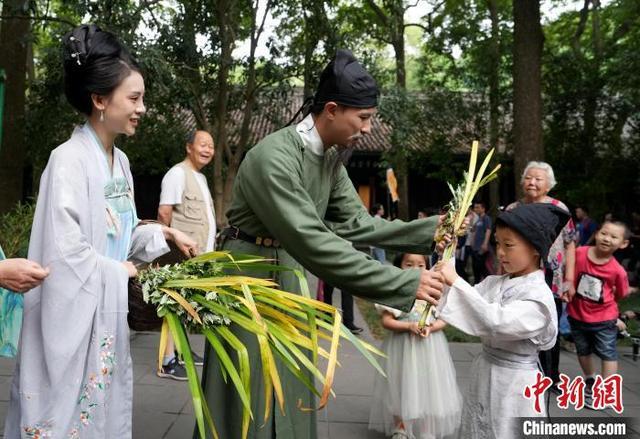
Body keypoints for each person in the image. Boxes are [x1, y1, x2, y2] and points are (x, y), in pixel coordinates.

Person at [199, 49, 447, 439]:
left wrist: (432, 231)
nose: (368, 128)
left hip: (290, 275)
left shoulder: (330, 158)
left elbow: (357, 223)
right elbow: (311, 240)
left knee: (293, 376)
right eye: (363, 118)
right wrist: (402, 283)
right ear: (331, 109)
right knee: (250, 384)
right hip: (248, 279)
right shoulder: (274, 157)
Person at [4, 24, 196, 438]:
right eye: (135, 97)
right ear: (99, 100)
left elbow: (122, 235)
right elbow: (66, 253)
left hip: (104, 318)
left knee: (103, 413)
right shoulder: (67, 160)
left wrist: (163, 236)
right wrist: (122, 272)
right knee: (66, 418)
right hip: (71, 322)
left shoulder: (121, 163)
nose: (142, 107)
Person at [435, 203, 570, 438]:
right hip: (485, 371)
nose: (500, 252)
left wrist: (455, 279)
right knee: (478, 427)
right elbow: (464, 298)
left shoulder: (539, 297)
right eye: (498, 243)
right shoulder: (495, 283)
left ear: (536, 249)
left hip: (515, 382)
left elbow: (495, 321)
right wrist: (448, 255)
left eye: (509, 245)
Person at [369, 253, 462, 439]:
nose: (415, 269)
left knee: (428, 385)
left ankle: (427, 429)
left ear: (427, 267)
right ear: (399, 267)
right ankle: (400, 427)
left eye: (420, 265)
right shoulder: (395, 291)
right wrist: (408, 326)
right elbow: (387, 321)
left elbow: (444, 319)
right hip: (401, 347)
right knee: (399, 385)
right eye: (409, 264)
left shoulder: (434, 289)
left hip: (429, 348)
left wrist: (432, 327)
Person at [507, 161, 578, 391]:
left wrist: (569, 279)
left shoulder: (559, 208)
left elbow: (570, 244)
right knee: (520, 324)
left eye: (538, 179)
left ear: (549, 184)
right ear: (522, 181)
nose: (533, 182)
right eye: (529, 178)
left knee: (551, 326)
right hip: (520, 276)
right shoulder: (513, 209)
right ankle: (522, 374)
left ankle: (550, 377)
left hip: (553, 278)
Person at [156, 129, 216, 379]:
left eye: (211, 146)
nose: (207, 150)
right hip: (180, 255)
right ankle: (167, 361)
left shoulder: (199, 178)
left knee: (185, 305)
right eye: (202, 144)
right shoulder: (177, 174)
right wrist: (168, 252)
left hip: (199, 255)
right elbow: (163, 213)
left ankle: (182, 352)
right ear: (188, 147)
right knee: (173, 305)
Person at [567, 221, 630, 409]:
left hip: (604, 318)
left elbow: (622, 293)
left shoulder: (617, 270)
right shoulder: (579, 254)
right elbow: (568, 273)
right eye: (604, 233)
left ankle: (608, 394)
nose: (607, 239)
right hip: (577, 314)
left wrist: (612, 310)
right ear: (596, 234)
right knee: (582, 350)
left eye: (613, 237)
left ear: (623, 244)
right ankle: (591, 381)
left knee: (607, 353)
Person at [470, 201, 492, 283]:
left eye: (478, 207)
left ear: (483, 209)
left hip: (482, 248)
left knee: (482, 268)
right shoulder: (479, 219)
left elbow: (488, 230)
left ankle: (489, 283)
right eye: (475, 207)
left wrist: (485, 243)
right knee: (476, 268)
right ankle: (477, 284)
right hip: (475, 248)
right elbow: (473, 230)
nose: (476, 209)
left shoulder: (486, 218)